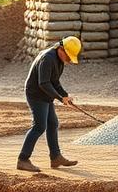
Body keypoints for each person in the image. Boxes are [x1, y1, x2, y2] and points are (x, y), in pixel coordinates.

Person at [17, 36, 81, 173]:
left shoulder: (59, 60)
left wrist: (64, 95)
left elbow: (55, 82)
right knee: (39, 126)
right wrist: (59, 98)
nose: (69, 60)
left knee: (53, 123)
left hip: (45, 95)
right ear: (61, 49)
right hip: (36, 95)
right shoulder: (48, 58)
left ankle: (55, 157)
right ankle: (23, 159)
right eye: (68, 57)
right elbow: (44, 83)